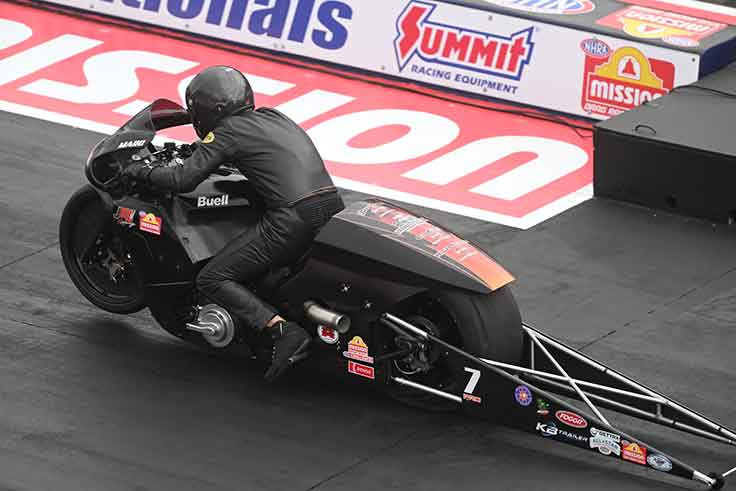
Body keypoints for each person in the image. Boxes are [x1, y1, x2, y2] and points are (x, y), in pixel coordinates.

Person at [123, 66, 344, 382]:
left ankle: (283, 331)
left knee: (213, 278)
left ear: (209, 110)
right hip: (329, 205)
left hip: (291, 218)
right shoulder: (272, 116)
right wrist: (201, 152)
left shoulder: (227, 131)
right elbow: (253, 154)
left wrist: (140, 171)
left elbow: (183, 179)